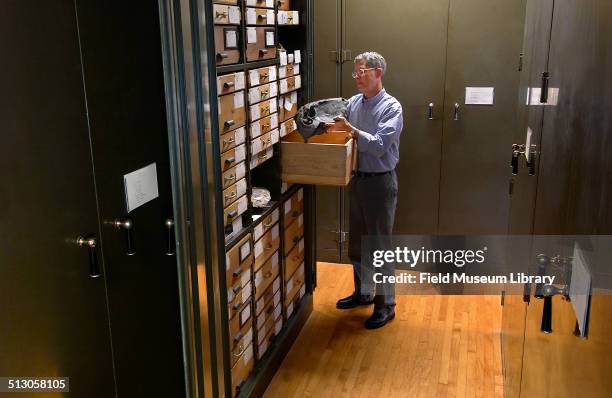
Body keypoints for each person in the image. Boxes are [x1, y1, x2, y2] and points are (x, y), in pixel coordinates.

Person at [327, 51, 403, 329]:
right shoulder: (355, 103)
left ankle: (386, 305)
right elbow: (340, 125)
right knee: (357, 245)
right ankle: (364, 293)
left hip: (381, 183)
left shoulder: (392, 107)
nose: (357, 77)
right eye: (355, 72)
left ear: (378, 72)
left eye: (362, 72)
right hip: (357, 179)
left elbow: (380, 145)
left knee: (381, 247)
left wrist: (353, 131)